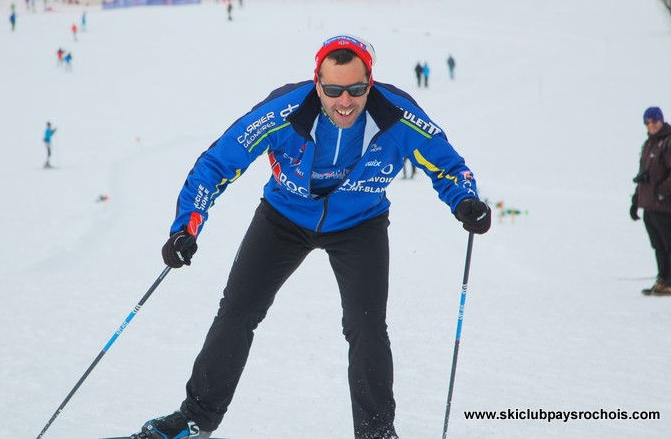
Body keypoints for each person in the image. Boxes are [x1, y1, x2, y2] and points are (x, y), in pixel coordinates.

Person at [126, 34, 491, 439]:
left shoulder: (398, 116)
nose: (345, 101)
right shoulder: (283, 112)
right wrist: (186, 228)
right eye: (333, 90)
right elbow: (217, 164)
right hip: (284, 218)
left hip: (360, 224)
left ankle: (376, 433)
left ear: (370, 81)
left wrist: (465, 200)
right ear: (317, 84)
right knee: (238, 311)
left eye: (356, 89)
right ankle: (196, 419)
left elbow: (448, 166)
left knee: (366, 327)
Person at [630, 106, 671, 295]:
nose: (651, 125)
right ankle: (663, 278)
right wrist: (636, 200)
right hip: (649, 204)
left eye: (654, 121)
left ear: (661, 121)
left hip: (663, 204)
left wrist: (661, 192)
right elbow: (643, 174)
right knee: (658, 245)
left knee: (670, 244)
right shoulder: (649, 144)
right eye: (647, 122)